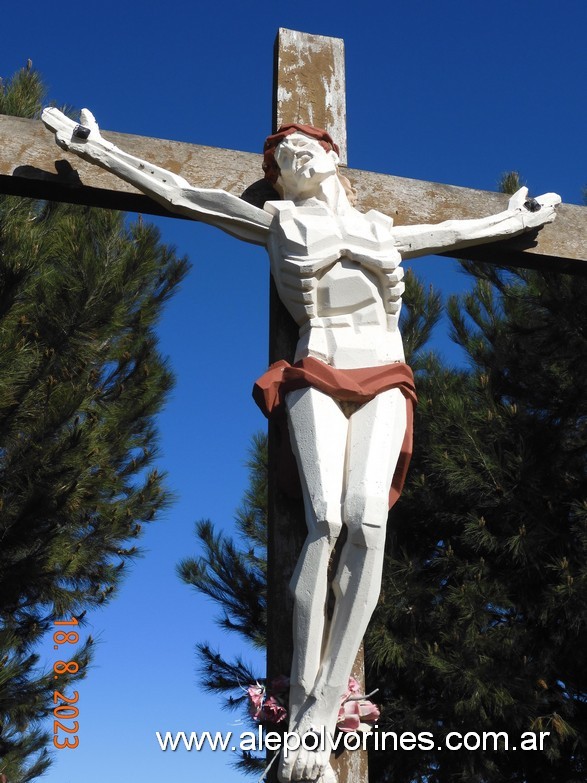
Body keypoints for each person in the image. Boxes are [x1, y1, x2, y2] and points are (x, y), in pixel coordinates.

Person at [42, 108, 560, 783]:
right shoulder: (281, 222)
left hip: (383, 373)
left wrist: (516, 219)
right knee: (326, 520)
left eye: (301, 146)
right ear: (279, 179)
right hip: (316, 364)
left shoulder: (380, 228)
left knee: (367, 522)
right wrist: (102, 150)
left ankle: (323, 704)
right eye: (280, 156)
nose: (291, 156)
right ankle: (304, 710)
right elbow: (185, 194)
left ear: (331, 154)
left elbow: (460, 228)